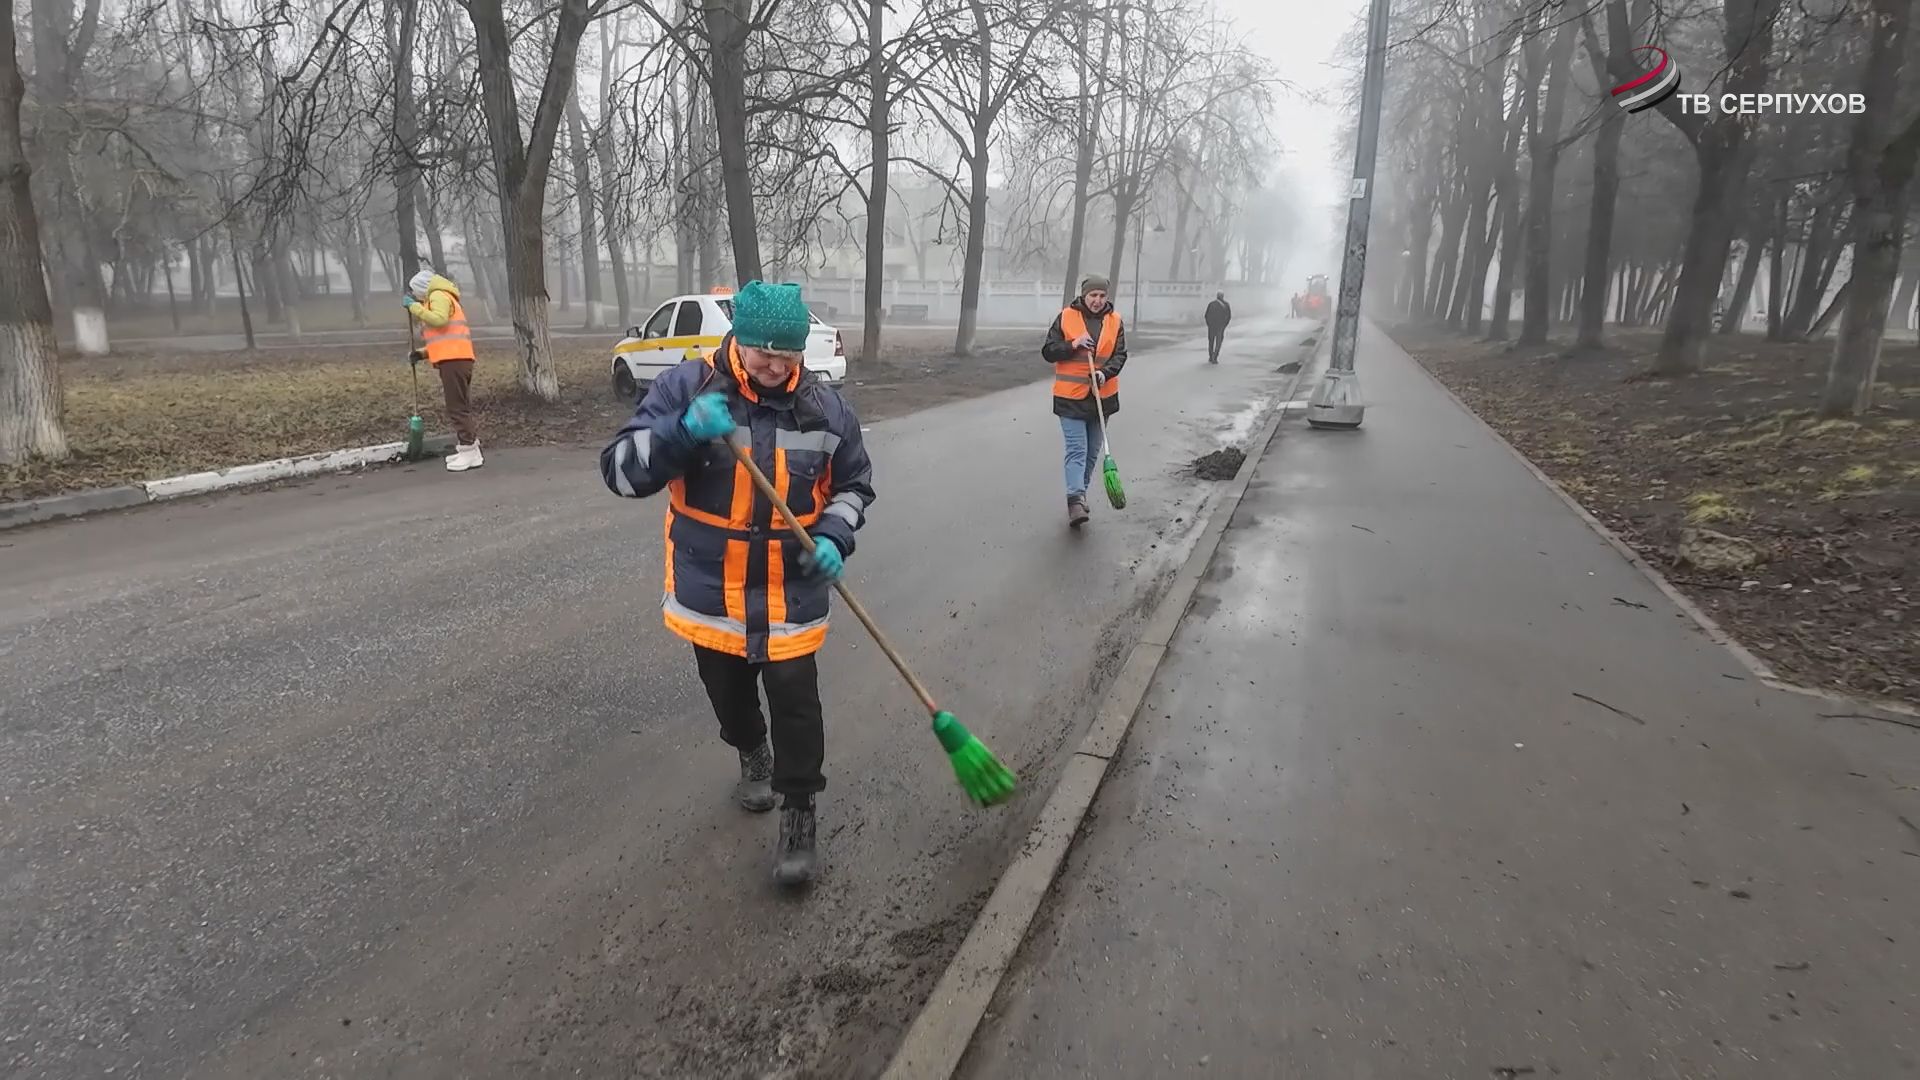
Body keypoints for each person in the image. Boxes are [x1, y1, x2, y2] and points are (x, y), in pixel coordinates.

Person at [598, 280, 874, 888]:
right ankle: (751, 748)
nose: (776, 367)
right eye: (763, 353)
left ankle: (799, 810)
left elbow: (855, 485)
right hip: (712, 589)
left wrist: (832, 534)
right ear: (737, 341)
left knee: (797, 703)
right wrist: (683, 433)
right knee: (728, 691)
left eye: (789, 356)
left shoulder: (826, 409)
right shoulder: (687, 387)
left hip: (791, 590)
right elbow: (619, 472)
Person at [1042, 275, 1127, 529]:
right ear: (1084, 295)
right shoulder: (1066, 317)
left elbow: (1120, 355)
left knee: (1092, 453)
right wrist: (1073, 344)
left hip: (1102, 399)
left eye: (1102, 296)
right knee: (1077, 450)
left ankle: (1081, 493)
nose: (1098, 301)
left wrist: (1104, 373)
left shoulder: (1115, 321)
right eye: (1093, 296)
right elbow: (1048, 351)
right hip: (1071, 397)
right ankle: (1075, 501)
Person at [402, 268, 483, 472]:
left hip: (454, 361)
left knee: (457, 407)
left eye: (415, 291)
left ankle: (469, 452)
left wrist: (414, 308)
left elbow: (439, 320)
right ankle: (470, 451)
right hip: (455, 359)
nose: (415, 296)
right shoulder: (440, 296)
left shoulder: (438, 295)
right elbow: (444, 339)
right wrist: (421, 354)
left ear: (422, 288)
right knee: (460, 405)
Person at [1204, 291, 1232, 364]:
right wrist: (1224, 325)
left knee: (1211, 341)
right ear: (1223, 296)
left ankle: (1210, 356)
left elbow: (1206, 315)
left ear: (1217, 296)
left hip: (1211, 326)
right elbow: (1228, 317)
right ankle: (1215, 357)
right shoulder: (1226, 305)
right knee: (1218, 342)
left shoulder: (1211, 304)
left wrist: (1209, 324)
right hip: (1220, 327)